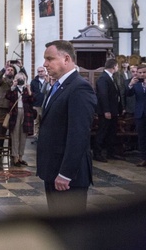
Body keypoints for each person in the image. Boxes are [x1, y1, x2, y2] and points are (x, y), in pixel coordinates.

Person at [37, 40, 97, 215]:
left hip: (69, 176)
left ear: (66, 59)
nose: (45, 64)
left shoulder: (79, 88)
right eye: (45, 59)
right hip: (53, 169)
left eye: (50, 59)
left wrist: (66, 173)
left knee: (72, 230)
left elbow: (78, 135)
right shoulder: (58, 85)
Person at [93, 58, 124, 162]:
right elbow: (103, 95)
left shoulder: (111, 77)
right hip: (106, 111)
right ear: (114, 66)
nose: (117, 68)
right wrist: (106, 111)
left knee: (112, 132)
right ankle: (97, 153)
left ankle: (111, 152)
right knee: (103, 132)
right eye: (117, 66)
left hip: (113, 110)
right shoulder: (103, 78)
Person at [5, 72, 35, 166]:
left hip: (26, 114)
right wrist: (13, 86)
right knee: (15, 136)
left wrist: (29, 89)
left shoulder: (26, 89)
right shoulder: (13, 89)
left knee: (23, 136)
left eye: (22, 78)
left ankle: (21, 157)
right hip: (15, 113)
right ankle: (15, 157)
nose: (20, 80)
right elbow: (7, 97)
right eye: (18, 79)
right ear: (15, 79)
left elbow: (32, 101)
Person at [125, 64, 146, 167]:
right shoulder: (136, 83)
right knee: (141, 137)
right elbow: (128, 94)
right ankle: (143, 158)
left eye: (144, 72)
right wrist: (130, 84)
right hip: (140, 113)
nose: (142, 74)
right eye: (140, 72)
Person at [0, 62, 16, 155]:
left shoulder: (16, 80)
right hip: (3, 107)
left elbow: (25, 77)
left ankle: (12, 151)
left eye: (12, 70)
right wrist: (4, 69)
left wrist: (21, 67)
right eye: (8, 70)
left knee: (13, 130)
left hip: (13, 107)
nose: (10, 71)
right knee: (1, 130)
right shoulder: (3, 81)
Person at [30, 66, 48, 137]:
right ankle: (36, 135)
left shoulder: (48, 80)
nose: (40, 73)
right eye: (39, 71)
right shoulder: (34, 81)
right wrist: (35, 97)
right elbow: (31, 92)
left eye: (42, 71)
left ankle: (44, 135)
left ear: (45, 72)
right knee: (36, 121)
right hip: (36, 104)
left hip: (45, 104)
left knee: (45, 121)